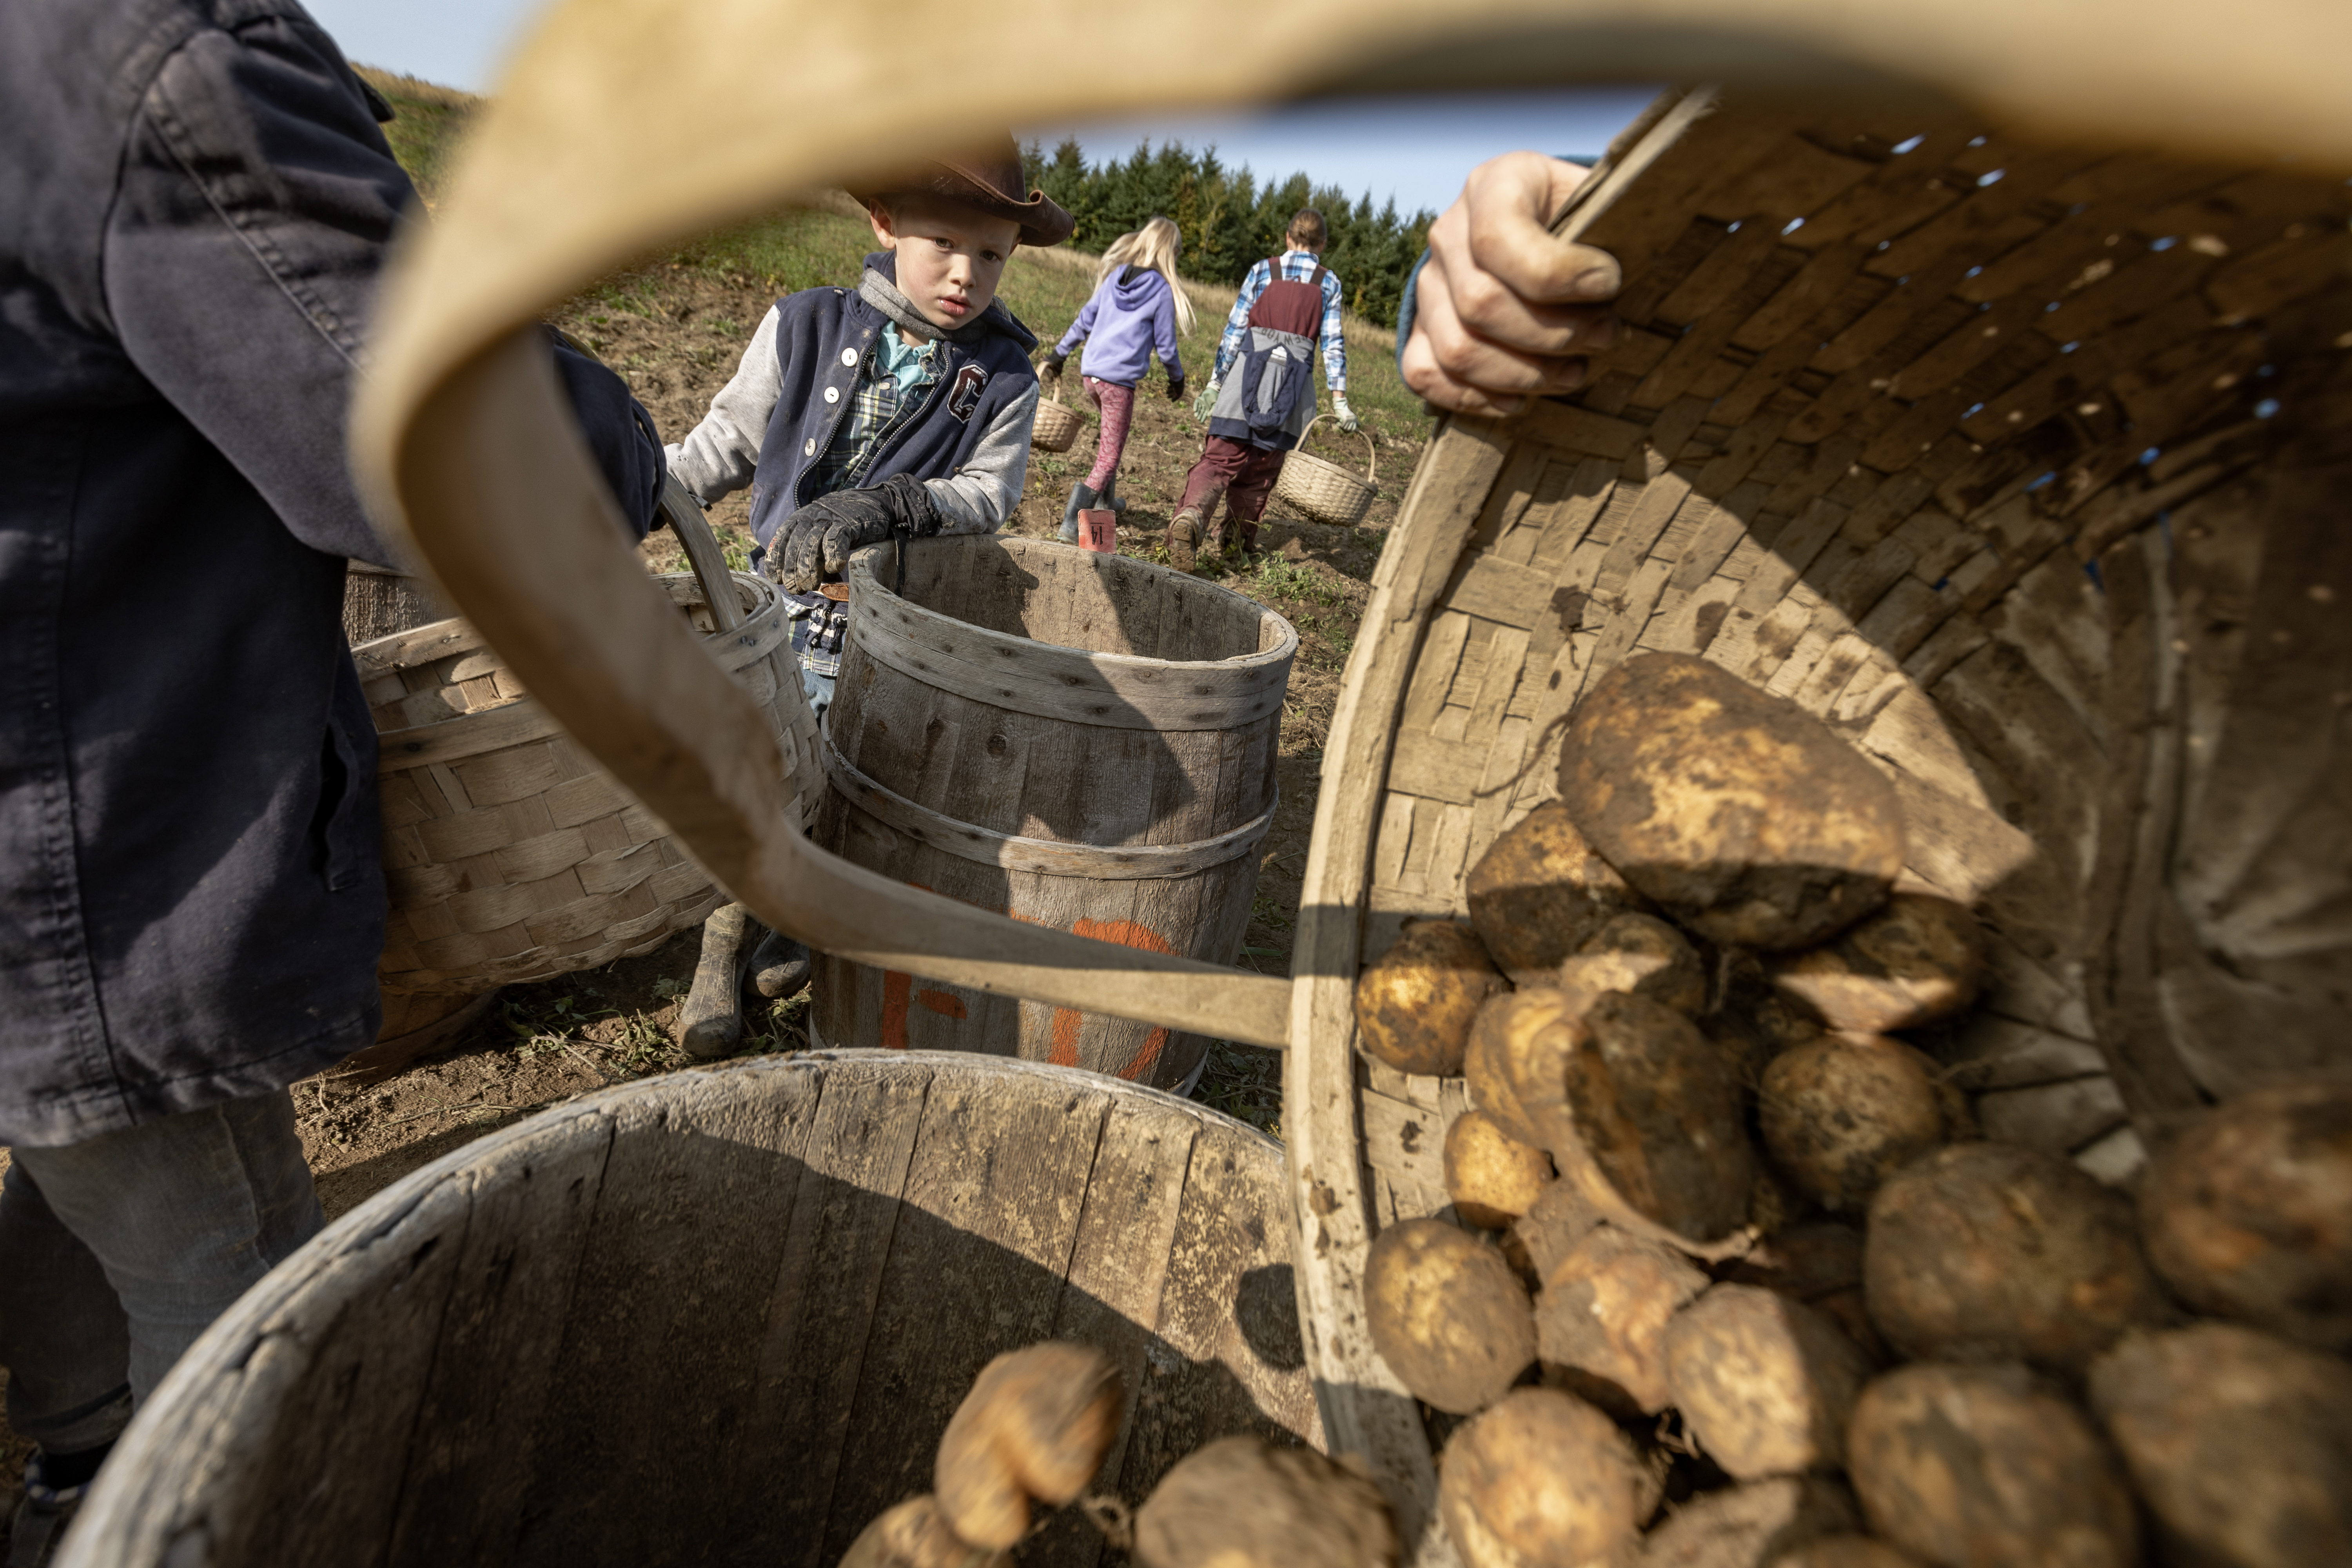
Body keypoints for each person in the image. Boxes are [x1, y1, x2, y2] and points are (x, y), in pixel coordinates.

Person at [0, 2, 667, 1560]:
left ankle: (75, 1461)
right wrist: (616, 437)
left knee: (84, 1137)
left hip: (46, 807)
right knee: (240, 1282)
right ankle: (156, 1515)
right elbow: (434, 440)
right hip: (84, 844)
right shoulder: (152, 58)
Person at [662, 139, 1074, 1002]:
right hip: (772, 610)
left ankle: (797, 916)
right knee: (755, 772)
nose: (966, 273)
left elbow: (987, 495)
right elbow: (724, 444)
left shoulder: (1003, 376)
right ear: (886, 224)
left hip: (887, 629)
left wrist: (892, 505)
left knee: (852, 772)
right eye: (943, 245)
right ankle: (720, 941)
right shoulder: (804, 325)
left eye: (991, 254)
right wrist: (632, 484)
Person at [1165, 208, 1355, 569]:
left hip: (1244, 379)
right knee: (1261, 471)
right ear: (1323, 244)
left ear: (1288, 237)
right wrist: (1340, 400)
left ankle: (1190, 518)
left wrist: (1215, 383)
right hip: (1291, 390)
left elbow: (1235, 332)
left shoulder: (1262, 271)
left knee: (1219, 459)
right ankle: (1236, 543)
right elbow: (1332, 345)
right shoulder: (1329, 283)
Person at [1039, 216, 1191, 541]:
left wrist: (1059, 355)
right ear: (1168, 252)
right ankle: (1071, 524)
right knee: (1109, 457)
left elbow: (1084, 321)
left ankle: (1108, 501)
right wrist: (1177, 379)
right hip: (1118, 384)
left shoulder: (1115, 279)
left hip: (1091, 376)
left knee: (1111, 442)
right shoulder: (1161, 291)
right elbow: (1166, 346)